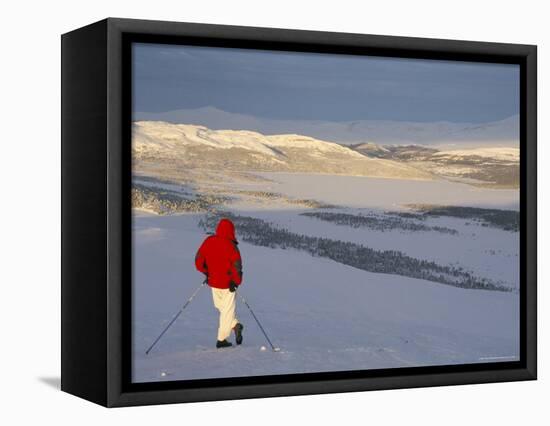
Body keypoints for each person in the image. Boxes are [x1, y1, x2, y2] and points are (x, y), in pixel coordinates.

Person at [195, 218, 244, 348]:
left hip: (214, 282)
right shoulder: (232, 246)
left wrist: (206, 272)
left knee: (222, 308)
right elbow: (237, 267)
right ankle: (222, 340)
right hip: (228, 285)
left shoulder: (209, 241)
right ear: (231, 231)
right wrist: (236, 282)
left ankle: (234, 326)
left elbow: (198, 260)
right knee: (226, 311)